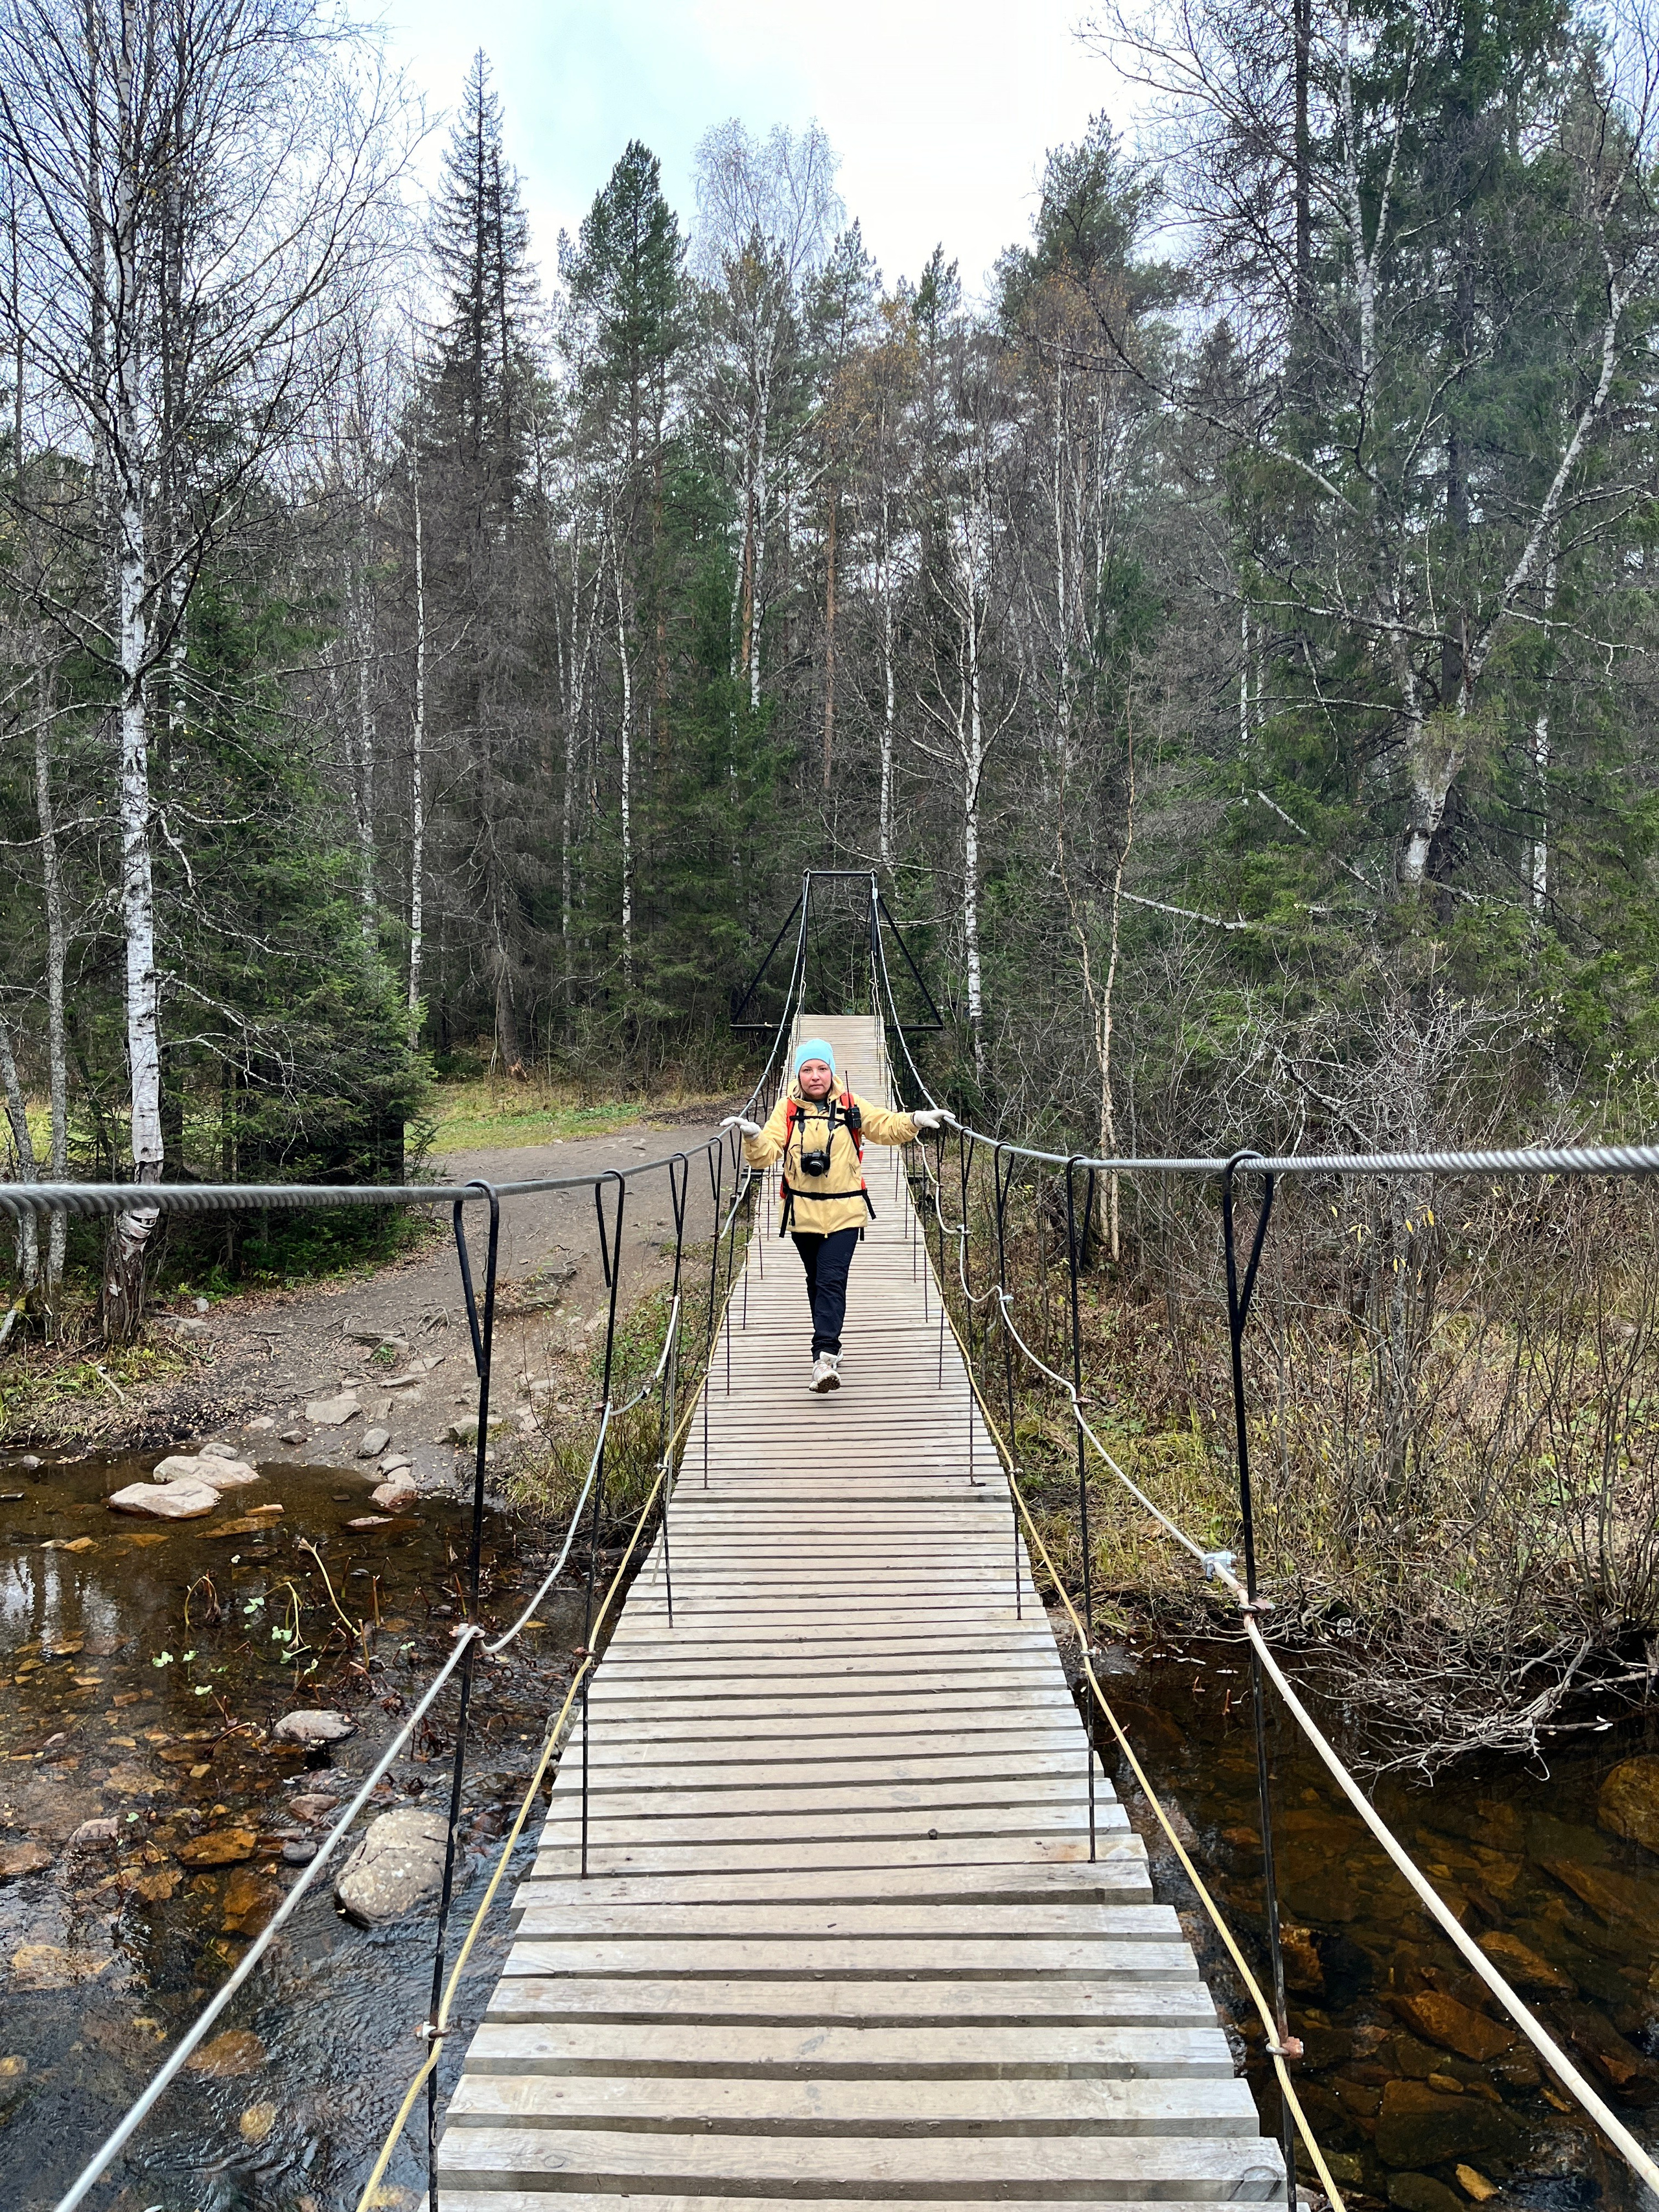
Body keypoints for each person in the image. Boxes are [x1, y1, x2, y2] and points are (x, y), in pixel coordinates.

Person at [721, 1038, 944, 1393]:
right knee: (816, 1282)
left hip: (845, 1212)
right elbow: (766, 1155)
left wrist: (916, 1119)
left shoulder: (851, 1105)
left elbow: (884, 1126)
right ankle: (827, 1340)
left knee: (829, 1279)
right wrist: (753, 1136)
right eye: (807, 1070)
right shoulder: (787, 1110)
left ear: (832, 1072)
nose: (815, 1076)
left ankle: (824, 1356)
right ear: (798, 1075)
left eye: (822, 1069)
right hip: (802, 1213)